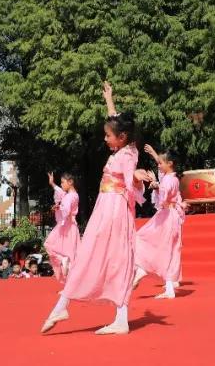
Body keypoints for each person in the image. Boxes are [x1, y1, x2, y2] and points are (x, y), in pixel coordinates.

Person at [40, 81, 153, 335]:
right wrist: (109, 99)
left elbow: (129, 184)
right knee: (98, 255)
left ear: (122, 138)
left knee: (108, 257)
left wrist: (137, 177)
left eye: (108, 136)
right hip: (106, 207)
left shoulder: (128, 155)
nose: (105, 138)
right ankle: (69, 306)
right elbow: (116, 121)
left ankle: (73, 306)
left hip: (114, 210)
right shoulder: (124, 146)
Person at [133, 145, 187, 299]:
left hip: (167, 215)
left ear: (170, 164)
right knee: (167, 249)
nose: (159, 165)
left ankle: (145, 269)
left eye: (161, 163)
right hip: (170, 215)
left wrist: (157, 187)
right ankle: (162, 282)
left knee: (147, 239)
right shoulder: (173, 178)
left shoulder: (169, 180)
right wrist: (158, 186)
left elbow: (163, 200)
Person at [44, 171, 80, 283]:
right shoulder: (74, 195)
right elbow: (61, 192)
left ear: (70, 182)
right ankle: (69, 283)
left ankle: (63, 260)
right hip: (70, 226)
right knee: (71, 254)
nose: (62, 184)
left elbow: (66, 210)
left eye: (63, 182)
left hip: (65, 226)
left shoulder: (69, 196)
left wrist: (59, 208)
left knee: (49, 245)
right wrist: (52, 184)